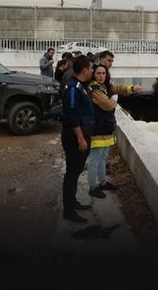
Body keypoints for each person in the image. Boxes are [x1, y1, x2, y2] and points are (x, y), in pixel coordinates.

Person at [60, 55, 95, 223]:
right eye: (92, 67)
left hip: (82, 135)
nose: (94, 70)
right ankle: (68, 210)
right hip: (74, 138)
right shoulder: (73, 88)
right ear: (85, 70)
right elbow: (72, 114)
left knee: (75, 171)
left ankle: (73, 203)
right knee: (72, 173)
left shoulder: (81, 86)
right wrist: (81, 138)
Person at [87, 64, 120, 199]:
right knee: (95, 159)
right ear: (93, 74)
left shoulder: (104, 87)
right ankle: (93, 186)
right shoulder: (94, 88)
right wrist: (114, 100)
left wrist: (131, 88)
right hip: (98, 129)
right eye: (98, 73)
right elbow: (107, 105)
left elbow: (118, 88)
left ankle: (103, 182)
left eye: (103, 73)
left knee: (103, 157)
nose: (101, 76)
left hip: (105, 128)